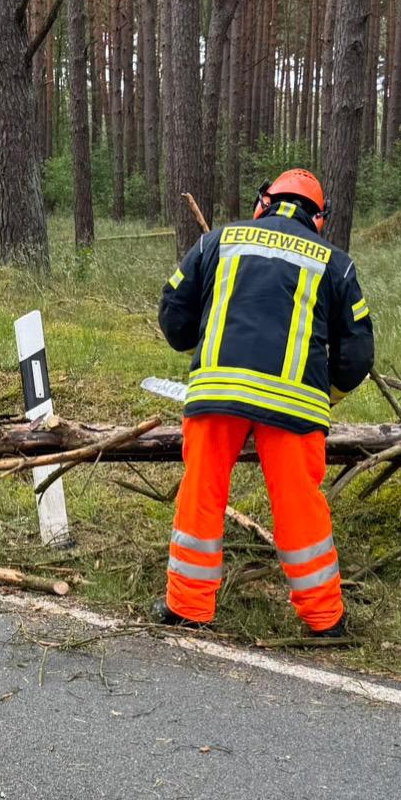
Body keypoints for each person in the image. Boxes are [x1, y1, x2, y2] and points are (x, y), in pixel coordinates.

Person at [155, 169, 375, 637]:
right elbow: (358, 355)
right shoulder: (336, 264)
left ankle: (187, 607)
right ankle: (325, 620)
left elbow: (173, 311)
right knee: (300, 507)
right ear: (320, 218)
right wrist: (328, 393)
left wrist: (198, 339)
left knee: (201, 493)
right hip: (295, 408)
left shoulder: (217, 241)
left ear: (264, 202)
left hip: (217, 393)